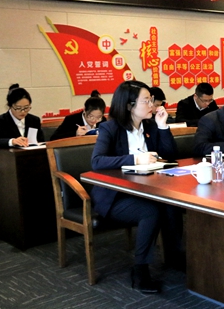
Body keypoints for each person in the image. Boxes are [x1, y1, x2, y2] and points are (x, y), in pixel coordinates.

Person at [90, 80, 179, 294]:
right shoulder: (110, 128)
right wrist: (135, 159)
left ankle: (175, 256)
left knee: (172, 204)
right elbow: (97, 161)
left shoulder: (150, 126)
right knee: (150, 211)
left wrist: (163, 126)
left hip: (147, 189)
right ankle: (140, 270)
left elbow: (170, 155)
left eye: (151, 100)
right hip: (115, 196)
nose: (152, 105)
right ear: (130, 105)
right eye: (146, 101)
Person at [0, 84, 45, 148]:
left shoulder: (34, 120)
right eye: (18, 108)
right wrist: (11, 141)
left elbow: (41, 141)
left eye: (26, 108)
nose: (23, 111)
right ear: (10, 106)